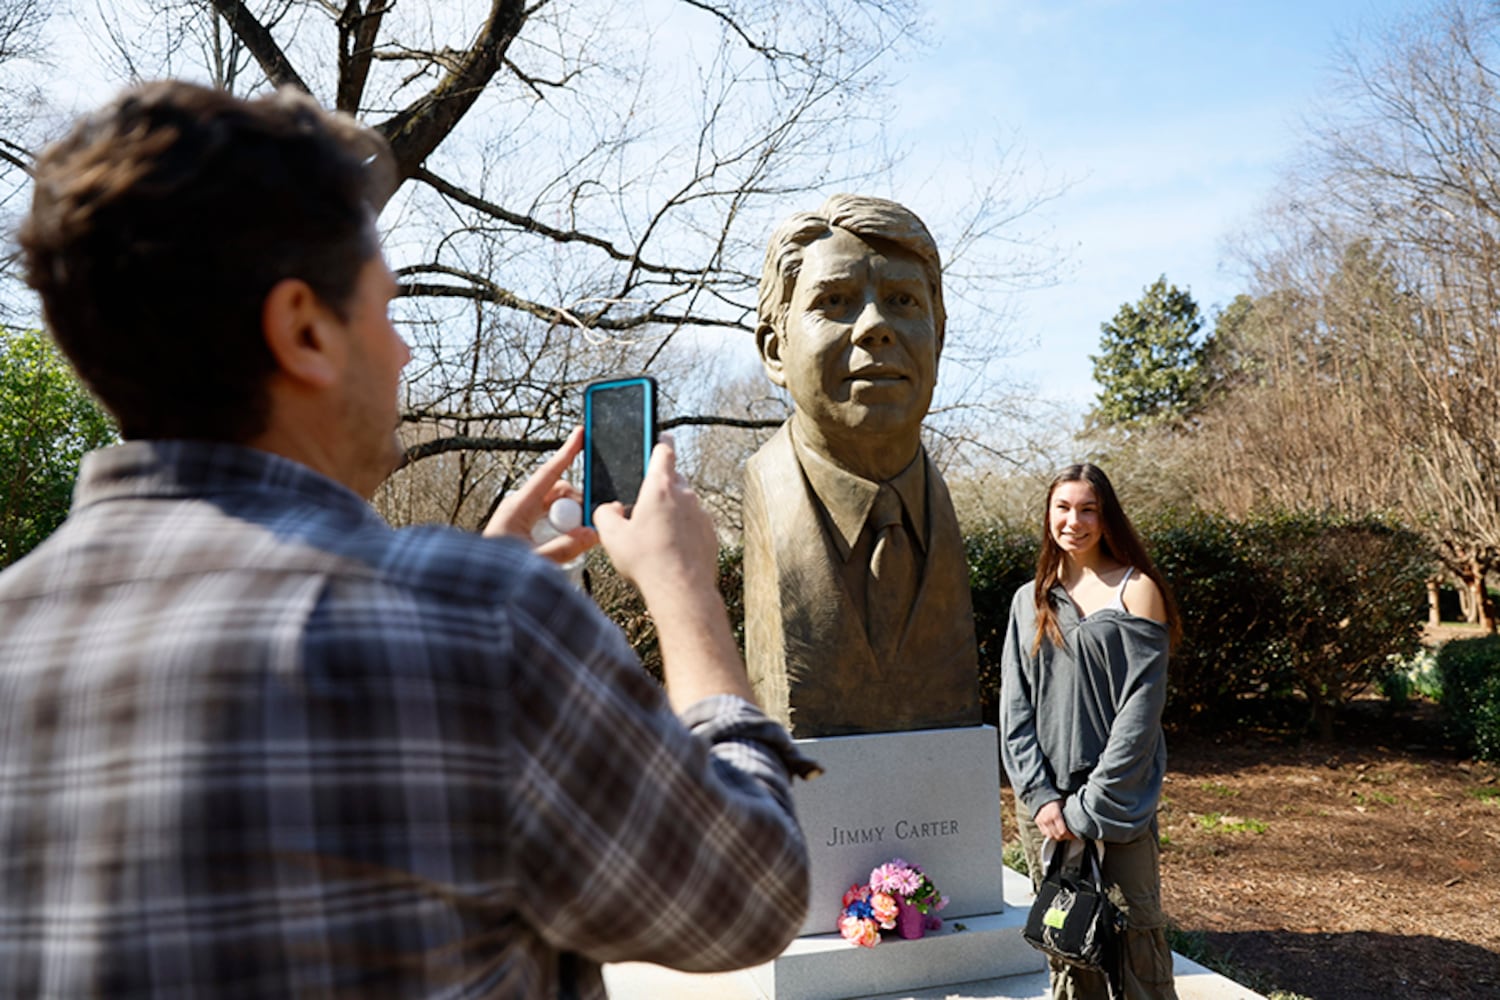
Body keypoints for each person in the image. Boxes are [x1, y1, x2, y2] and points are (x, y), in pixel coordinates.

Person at [0, 80, 815, 999]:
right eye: (385, 310)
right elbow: (750, 897)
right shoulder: (481, 620)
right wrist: (686, 595)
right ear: (304, 330)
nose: (405, 353)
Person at [742, 193, 980, 737]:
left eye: (902, 300)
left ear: (938, 339)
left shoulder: (940, 512)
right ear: (775, 351)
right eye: (836, 301)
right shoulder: (768, 495)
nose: (875, 326)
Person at [999, 463, 1181, 1000]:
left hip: (1118, 801)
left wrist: (1087, 808)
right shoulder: (1028, 599)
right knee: (1068, 938)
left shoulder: (1138, 589)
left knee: (1134, 938)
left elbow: (1140, 714)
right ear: (1048, 515)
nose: (1073, 520)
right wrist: (1042, 798)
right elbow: (1016, 709)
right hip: (1046, 808)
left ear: (1106, 517)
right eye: (1062, 507)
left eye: (1087, 509)